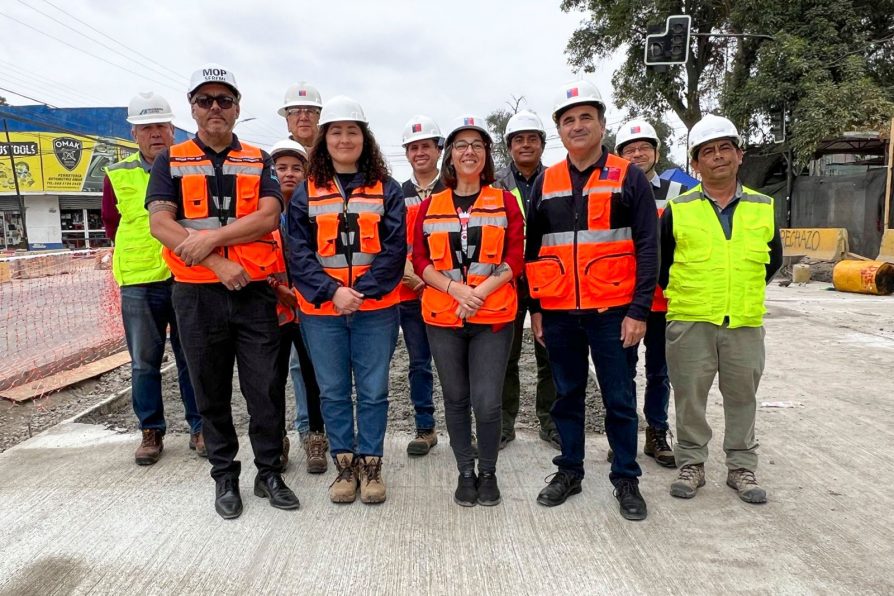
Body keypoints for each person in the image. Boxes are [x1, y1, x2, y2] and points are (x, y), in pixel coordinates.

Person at [147, 64, 299, 519]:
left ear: (237, 108)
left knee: (265, 389)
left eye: (224, 100)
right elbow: (161, 224)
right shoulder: (169, 160)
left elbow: (268, 217)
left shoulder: (258, 159)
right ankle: (224, 475)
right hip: (196, 295)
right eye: (205, 100)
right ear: (192, 107)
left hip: (253, 292)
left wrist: (211, 240)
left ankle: (269, 471)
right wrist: (215, 262)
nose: (215, 108)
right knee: (209, 390)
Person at [525, 80, 658, 521]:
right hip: (560, 313)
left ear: (602, 124)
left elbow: (648, 245)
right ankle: (570, 470)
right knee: (567, 395)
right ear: (559, 131)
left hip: (613, 314)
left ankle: (626, 477)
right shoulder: (545, 182)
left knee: (619, 397)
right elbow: (533, 249)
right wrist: (537, 309)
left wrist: (639, 310)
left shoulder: (627, 176)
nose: (577, 126)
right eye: (568, 120)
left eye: (586, 117)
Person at [287, 96, 405, 505]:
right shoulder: (305, 192)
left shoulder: (386, 190)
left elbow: (394, 250)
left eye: (351, 131)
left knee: (373, 391)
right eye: (335, 131)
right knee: (334, 391)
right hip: (322, 313)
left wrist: (363, 292)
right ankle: (344, 466)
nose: (343, 138)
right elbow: (297, 253)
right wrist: (332, 291)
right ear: (324, 140)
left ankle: (371, 467)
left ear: (364, 138)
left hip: (375, 311)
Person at [661, 114, 782, 504]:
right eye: (707, 152)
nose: (717, 157)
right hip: (691, 318)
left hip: (743, 321)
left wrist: (739, 291)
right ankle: (691, 463)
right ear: (695, 164)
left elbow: (773, 261)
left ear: (739, 155)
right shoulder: (678, 210)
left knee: (742, 395)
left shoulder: (763, 207)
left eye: (725, 148)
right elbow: (662, 266)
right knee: (689, 396)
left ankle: (741, 467)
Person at [413, 114, 524, 507]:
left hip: (492, 317)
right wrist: (456, 289)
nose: (469, 151)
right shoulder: (431, 206)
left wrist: (480, 292)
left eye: (477, 145)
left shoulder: (505, 201)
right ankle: (464, 472)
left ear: (487, 155)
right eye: (461, 145)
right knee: (456, 398)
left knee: (487, 400)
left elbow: (515, 256)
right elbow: (420, 260)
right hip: (443, 318)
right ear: (450, 155)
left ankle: (489, 472)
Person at [102, 91, 201, 466]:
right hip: (140, 280)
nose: (155, 133)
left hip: (185, 274)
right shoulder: (117, 174)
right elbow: (112, 223)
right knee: (144, 361)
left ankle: (199, 427)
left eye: (160, 125)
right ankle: (151, 431)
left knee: (191, 357)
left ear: (172, 129)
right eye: (146, 127)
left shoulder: (188, 166)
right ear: (134, 133)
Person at [608, 117, 688, 468]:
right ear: (619, 154)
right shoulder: (611, 193)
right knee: (622, 372)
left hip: (665, 300)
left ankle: (657, 432)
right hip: (623, 300)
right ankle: (622, 436)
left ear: (657, 152)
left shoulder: (679, 194)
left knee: (660, 372)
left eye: (644, 147)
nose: (637, 153)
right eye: (629, 149)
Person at [492, 110, 559, 451]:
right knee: (506, 356)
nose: (526, 144)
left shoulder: (560, 180)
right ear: (510, 147)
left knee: (551, 354)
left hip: (551, 279)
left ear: (543, 144)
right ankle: (504, 424)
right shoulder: (495, 184)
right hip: (509, 280)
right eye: (519, 139)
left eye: (532, 138)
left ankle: (551, 422)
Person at [269, 139, 327, 474]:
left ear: (306, 173)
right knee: (270, 377)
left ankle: (316, 437)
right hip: (272, 310)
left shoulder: (314, 211)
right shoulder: (261, 210)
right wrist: (276, 288)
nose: (289, 174)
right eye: (282, 168)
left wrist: (305, 291)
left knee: (313, 374)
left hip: (309, 308)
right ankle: (277, 439)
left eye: (296, 168)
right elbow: (254, 258)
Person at [399, 115, 444, 456]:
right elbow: (390, 241)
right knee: (418, 363)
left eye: (425, 146)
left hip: (447, 293)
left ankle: (466, 427)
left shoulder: (455, 189)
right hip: (408, 292)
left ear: (438, 149)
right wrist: (409, 274)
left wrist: (432, 280)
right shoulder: (397, 194)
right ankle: (425, 428)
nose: (420, 153)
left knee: (458, 364)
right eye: (413, 147)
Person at [278, 82, 323, 149]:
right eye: (295, 111)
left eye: (310, 110)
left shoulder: (335, 155)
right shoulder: (276, 157)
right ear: (287, 122)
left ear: (320, 118)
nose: (303, 117)